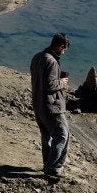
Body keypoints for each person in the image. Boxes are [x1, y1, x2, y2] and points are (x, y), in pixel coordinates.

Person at [30, 33, 70, 177]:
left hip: (38, 103)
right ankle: (53, 168)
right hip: (51, 106)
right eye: (64, 49)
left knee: (46, 135)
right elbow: (50, 84)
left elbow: (39, 79)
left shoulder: (37, 56)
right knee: (62, 135)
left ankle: (47, 164)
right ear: (60, 46)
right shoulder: (52, 61)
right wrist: (63, 83)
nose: (64, 52)